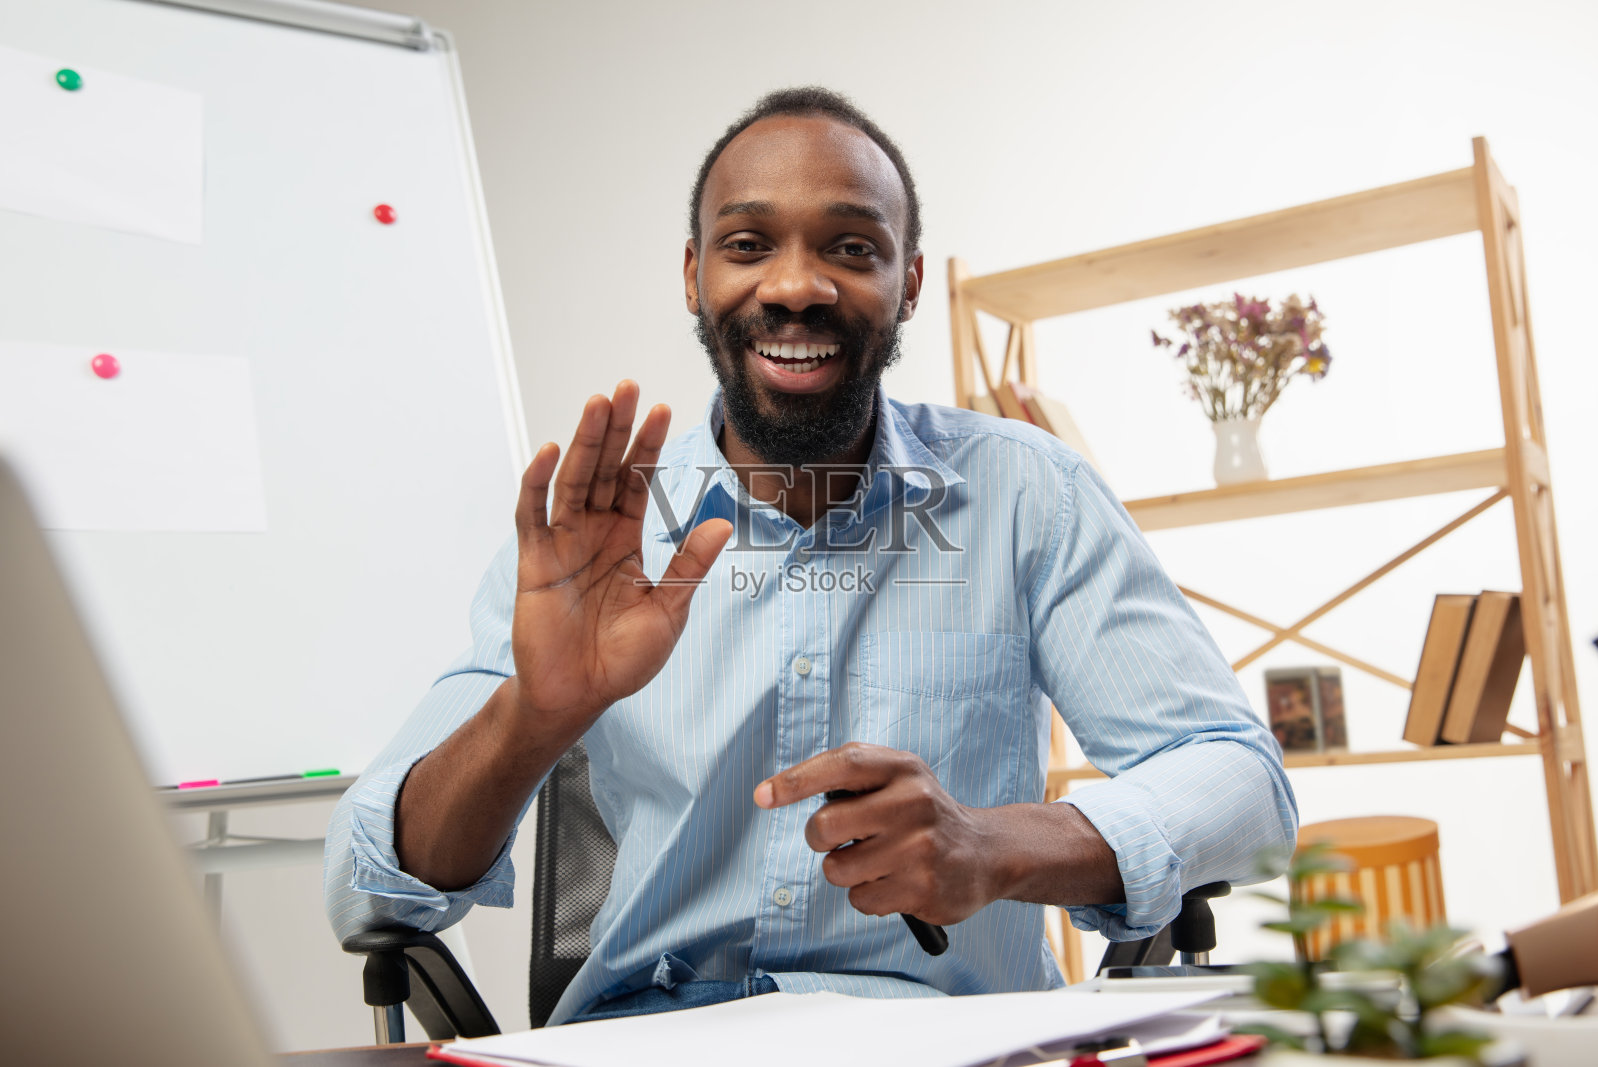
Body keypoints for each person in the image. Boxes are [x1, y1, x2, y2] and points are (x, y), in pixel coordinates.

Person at [323, 86, 1297, 1025]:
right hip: (648, 1042)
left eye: (851, 247)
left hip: (947, 1040)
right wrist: (531, 717)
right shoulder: (592, 536)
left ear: (907, 280)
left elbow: (1242, 783)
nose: (794, 286)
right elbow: (366, 889)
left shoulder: (1027, 494)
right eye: (748, 245)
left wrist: (992, 844)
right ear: (694, 272)